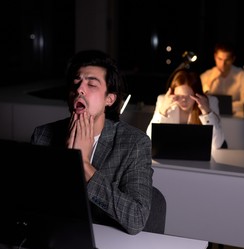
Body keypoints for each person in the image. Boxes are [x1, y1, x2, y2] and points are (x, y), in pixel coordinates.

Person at [31, 49, 153, 235]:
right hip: (53, 237)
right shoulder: (43, 135)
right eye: (76, 82)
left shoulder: (134, 144)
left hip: (108, 244)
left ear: (109, 99)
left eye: (92, 84)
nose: (80, 89)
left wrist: (84, 165)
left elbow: (136, 219)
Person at [146, 68, 226, 149]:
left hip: (198, 154)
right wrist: (162, 111)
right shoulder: (163, 101)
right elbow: (150, 139)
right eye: (179, 96)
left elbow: (217, 144)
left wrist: (207, 112)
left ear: (197, 94)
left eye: (189, 96)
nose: (184, 100)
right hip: (172, 154)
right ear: (173, 93)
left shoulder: (210, 102)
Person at [200, 42, 244, 114]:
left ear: (233, 59)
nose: (223, 64)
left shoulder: (243, 76)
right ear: (215, 57)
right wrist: (210, 81)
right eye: (220, 59)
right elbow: (200, 100)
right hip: (212, 118)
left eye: (227, 60)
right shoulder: (205, 76)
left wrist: (218, 106)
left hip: (235, 120)